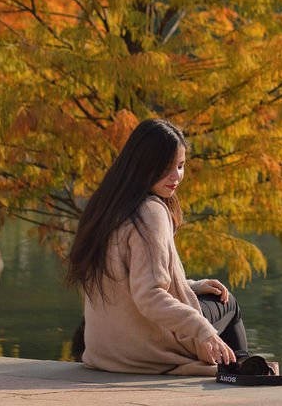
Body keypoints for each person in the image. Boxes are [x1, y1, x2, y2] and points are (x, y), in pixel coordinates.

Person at [67, 118, 247, 375]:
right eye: (166, 168)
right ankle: (240, 378)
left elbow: (130, 283)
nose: (176, 177)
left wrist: (191, 287)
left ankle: (235, 369)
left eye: (181, 166)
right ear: (144, 166)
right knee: (228, 303)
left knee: (212, 296)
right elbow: (149, 295)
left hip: (106, 350)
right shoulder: (150, 212)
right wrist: (204, 331)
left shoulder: (107, 206)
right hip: (146, 348)